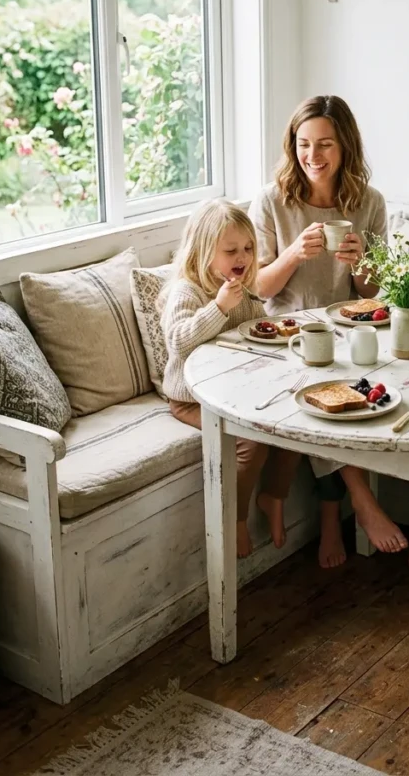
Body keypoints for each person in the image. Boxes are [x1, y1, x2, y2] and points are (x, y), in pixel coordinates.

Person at [250, 95, 408, 568]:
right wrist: (294, 253)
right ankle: (360, 501)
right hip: (284, 336)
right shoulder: (271, 201)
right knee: (321, 385)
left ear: (345, 148)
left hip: (347, 331)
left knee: (354, 394)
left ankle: (324, 515)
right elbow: (258, 287)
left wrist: (360, 264)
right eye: (303, 144)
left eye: (324, 145)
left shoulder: (368, 203)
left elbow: (373, 295)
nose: (313, 156)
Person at [160, 199, 300, 560]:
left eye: (249, 248)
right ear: (205, 251)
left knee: (291, 424)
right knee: (249, 443)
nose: (244, 257)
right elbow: (178, 340)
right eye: (231, 250)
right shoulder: (188, 291)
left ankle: (274, 495)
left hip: (235, 389)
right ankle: (234, 519)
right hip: (190, 398)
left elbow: (255, 328)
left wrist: (276, 331)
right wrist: (218, 306)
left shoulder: (241, 287)